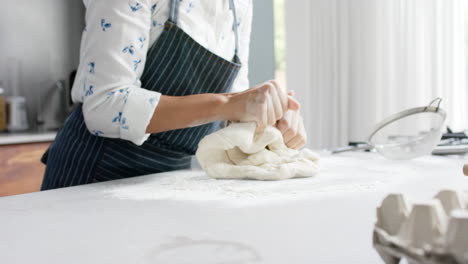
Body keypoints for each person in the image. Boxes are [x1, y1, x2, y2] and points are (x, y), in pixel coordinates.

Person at [40, 0, 307, 190]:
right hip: (93, 177)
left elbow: (234, 109)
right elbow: (105, 106)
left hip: (167, 181)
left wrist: (270, 119)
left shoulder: (240, 5)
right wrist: (228, 105)